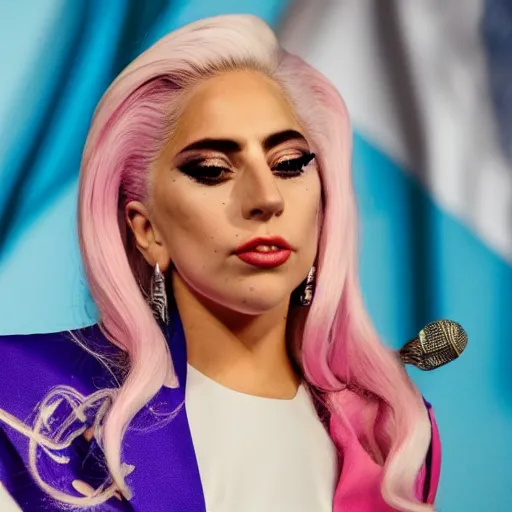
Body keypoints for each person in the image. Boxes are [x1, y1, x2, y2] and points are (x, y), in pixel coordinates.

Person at [0, 14, 440, 512]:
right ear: (147, 230)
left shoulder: (394, 437)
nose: (265, 197)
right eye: (212, 170)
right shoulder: (18, 397)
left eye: (290, 163)